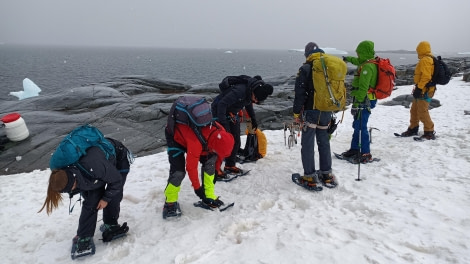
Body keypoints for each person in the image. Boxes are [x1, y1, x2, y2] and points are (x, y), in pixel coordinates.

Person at [38, 137, 131, 257]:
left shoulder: (94, 165)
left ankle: (111, 223)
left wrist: (105, 199)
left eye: (71, 189)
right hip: (94, 170)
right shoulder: (67, 171)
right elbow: (89, 199)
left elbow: (116, 180)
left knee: (113, 195)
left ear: (73, 181)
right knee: (91, 201)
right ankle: (84, 236)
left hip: (118, 157)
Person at [163, 121, 234, 218]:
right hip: (176, 137)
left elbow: (219, 154)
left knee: (210, 164)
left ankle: (209, 196)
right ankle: (170, 202)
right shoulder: (196, 143)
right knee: (178, 172)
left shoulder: (221, 132)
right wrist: (197, 189)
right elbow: (191, 167)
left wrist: (216, 170)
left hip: (203, 141)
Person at [293, 41, 337, 189]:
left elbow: (300, 93)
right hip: (326, 110)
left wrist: (296, 112)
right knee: (324, 142)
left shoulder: (305, 68)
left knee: (308, 143)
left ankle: (309, 176)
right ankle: (326, 174)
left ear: (307, 54)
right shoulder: (329, 67)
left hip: (311, 111)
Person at [211, 75, 273, 178]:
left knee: (235, 140)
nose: (256, 101)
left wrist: (253, 119)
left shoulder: (251, 93)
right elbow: (222, 104)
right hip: (219, 111)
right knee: (223, 141)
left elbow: (248, 104)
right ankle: (214, 169)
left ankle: (230, 165)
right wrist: (223, 124)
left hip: (231, 113)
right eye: (256, 99)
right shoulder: (240, 91)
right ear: (254, 93)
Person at [341, 40, 378, 163]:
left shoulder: (367, 67)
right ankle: (355, 149)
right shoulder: (367, 62)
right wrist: (347, 58)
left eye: (358, 53)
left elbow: (363, 88)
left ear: (363, 52)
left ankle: (365, 153)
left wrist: (356, 105)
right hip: (364, 100)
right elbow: (356, 61)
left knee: (361, 126)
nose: (357, 55)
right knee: (357, 125)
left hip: (364, 101)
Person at [400, 41, 436, 140]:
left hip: (425, 90)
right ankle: (413, 128)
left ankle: (429, 132)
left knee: (422, 111)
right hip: (421, 89)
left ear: (421, 50)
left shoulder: (426, 60)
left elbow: (426, 77)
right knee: (414, 110)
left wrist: (419, 88)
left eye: (418, 50)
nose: (417, 52)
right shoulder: (427, 59)